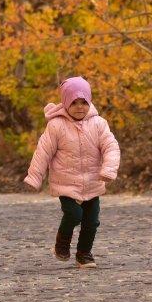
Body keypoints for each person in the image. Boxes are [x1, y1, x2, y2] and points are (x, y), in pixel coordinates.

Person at [24, 76, 120, 268]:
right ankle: (62, 243)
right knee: (74, 215)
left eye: (84, 102)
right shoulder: (56, 126)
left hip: (93, 182)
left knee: (91, 222)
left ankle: (84, 254)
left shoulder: (99, 124)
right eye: (74, 102)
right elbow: (43, 151)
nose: (79, 107)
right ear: (65, 103)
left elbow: (111, 147)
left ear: (90, 101)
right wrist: (35, 177)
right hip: (66, 184)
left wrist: (108, 169)